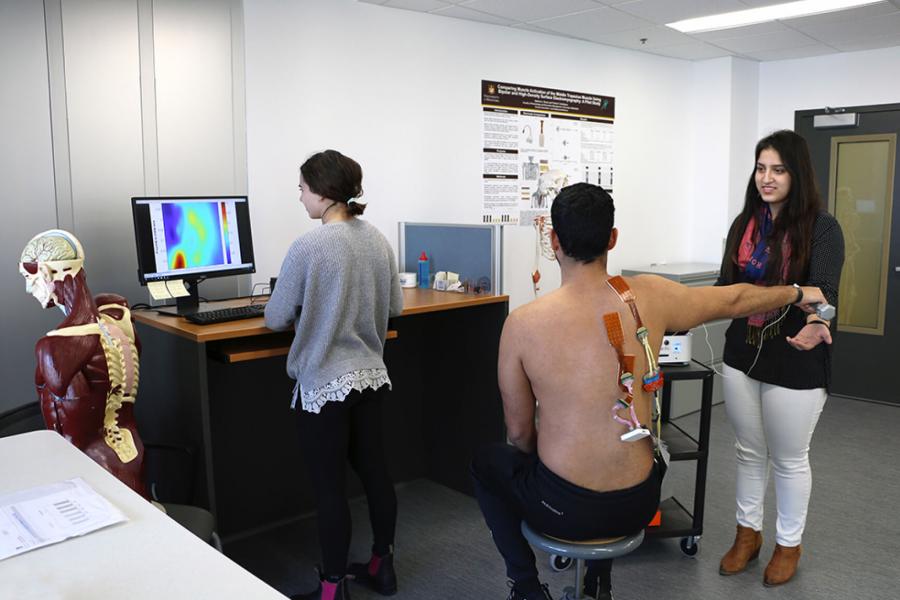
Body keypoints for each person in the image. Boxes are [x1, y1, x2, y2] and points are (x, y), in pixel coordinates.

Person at [470, 182, 829, 600]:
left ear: (553, 242)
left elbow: (518, 434)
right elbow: (733, 301)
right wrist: (797, 292)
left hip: (565, 510)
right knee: (636, 448)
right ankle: (598, 582)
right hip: (641, 502)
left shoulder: (522, 324)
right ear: (612, 239)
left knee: (486, 463)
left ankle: (527, 587)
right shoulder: (649, 295)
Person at [265, 150, 404, 600]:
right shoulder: (378, 240)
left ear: (323, 193)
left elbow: (274, 317)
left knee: (329, 491)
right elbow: (395, 308)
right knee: (376, 474)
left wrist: (316, 306)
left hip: (325, 382)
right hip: (371, 377)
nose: (300, 197)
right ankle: (383, 566)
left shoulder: (310, 246)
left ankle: (331, 590)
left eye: (303, 189)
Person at [716, 130, 844, 586]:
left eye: (778, 169)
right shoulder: (743, 225)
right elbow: (725, 290)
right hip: (742, 355)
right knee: (749, 452)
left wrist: (819, 323)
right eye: (761, 168)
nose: (766, 178)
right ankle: (747, 536)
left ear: (797, 174)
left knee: (789, 458)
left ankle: (788, 544)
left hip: (795, 360)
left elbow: (826, 296)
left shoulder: (821, 227)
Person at [19, 229, 147, 498]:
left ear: (48, 274)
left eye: (29, 277)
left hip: (92, 472)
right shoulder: (118, 315)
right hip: (133, 456)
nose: (28, 288)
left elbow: (65, 432)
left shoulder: (55, 347)